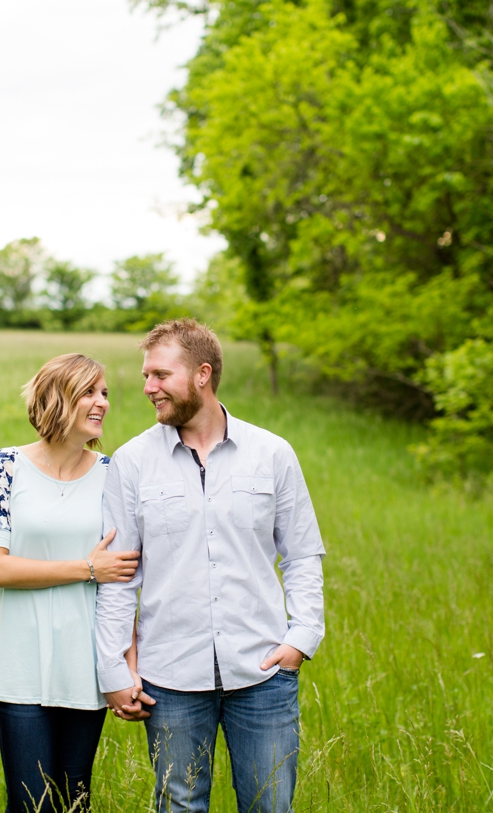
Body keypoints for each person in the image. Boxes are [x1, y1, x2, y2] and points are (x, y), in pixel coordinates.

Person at [95, 320, 326, 813]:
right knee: (179, 807)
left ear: (203, 374)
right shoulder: (131, 462)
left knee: (269, 807)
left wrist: (301, 639)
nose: (147, 388)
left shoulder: (272, 453)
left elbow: (303, 553)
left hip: (263, 673)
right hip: (169, 679)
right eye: (145, 376)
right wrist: (113, 667)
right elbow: (119, 579)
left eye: (160, 375)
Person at [0, 353, 141, 813]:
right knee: (31, 805)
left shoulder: (113, 474)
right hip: (19, 667)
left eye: (105, 393)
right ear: (56, 399)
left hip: (85, 668)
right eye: (89, 392)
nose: (102, 402)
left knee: (74, 804)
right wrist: (86, 569)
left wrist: (128, 665)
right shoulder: (3, 468)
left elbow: (122, 581)